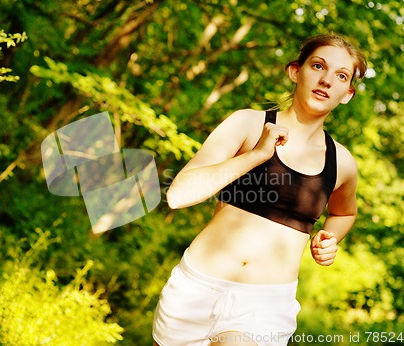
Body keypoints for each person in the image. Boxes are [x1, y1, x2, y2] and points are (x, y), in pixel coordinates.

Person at [152, 34, 367, 346]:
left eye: (340, 76)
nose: (326, 80)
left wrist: (330, 237)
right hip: (194, 290)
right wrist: (255, 156)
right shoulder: (247, 124)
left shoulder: (342, 163)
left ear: (347, 94)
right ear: (296, 71)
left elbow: (345, 212)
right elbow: (179, 194)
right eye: (318, 66)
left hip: (263, 306)